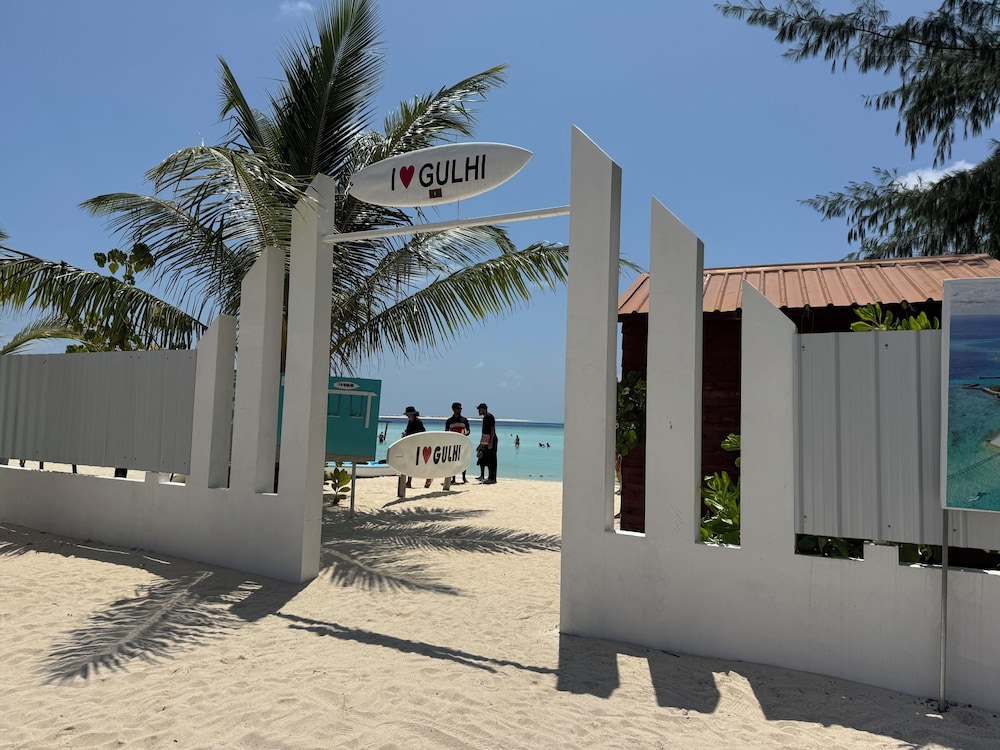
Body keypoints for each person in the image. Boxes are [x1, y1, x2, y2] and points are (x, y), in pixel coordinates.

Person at [402, 406, 432, 488]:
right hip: (411, 444)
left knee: (420, 463)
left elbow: (422, 432)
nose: (407, 415)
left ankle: (428, 478)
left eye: (408, 414)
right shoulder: (410, 421)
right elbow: (408, 431)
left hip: (418, 445)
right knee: (410, 463)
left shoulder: (418, 422)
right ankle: (409, 482)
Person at [444, 402, 471, 484]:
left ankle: (464, 478)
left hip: (462, 442)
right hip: (453, 443)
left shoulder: (464, 420)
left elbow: (468, 430)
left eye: (460, 408)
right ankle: (453, 478)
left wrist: (465, 434)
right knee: (453, 461)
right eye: (458, 408)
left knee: (463, 460)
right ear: (453, 409)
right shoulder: (449, 421)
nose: (460, 410)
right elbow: (446, 432)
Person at [476, 402, 497, 484]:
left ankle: (492, 478)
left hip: (491, 439)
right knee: (488, 459)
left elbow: (492, 430)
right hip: (486, 440)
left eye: (480, 409)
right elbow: (484, 433)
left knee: (492, 459)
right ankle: (489, 477)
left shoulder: (489, 417)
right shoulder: (485, 418)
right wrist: (481, 444)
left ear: (484, 409)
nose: (478, 411)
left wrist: (490, 441)